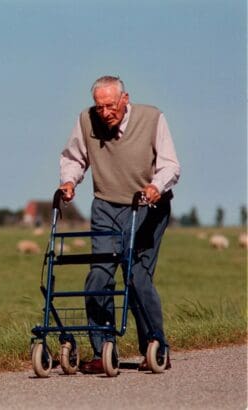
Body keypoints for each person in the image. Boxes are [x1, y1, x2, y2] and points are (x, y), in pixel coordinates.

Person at [58, 75, 180, 374]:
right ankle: (102, 349)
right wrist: (69, 181)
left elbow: (170, 165)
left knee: (137, 276)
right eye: (99, 107)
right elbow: (74, 156)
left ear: (125, 99)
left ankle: (155, 345)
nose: (104, 113)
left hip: (147, 206)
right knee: (98, 276)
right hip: (106, 205)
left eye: (110, 105)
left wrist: (155, 186)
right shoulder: (87, 120)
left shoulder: (152, 118)